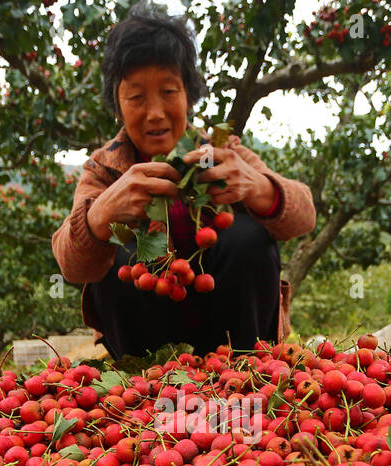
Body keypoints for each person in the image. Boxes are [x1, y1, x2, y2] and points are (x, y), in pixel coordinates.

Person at [51, 2, 316, 358]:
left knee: (249, 238)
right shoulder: (104, 170)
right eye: (136, 97)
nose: (155, 112)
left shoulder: (222, 152)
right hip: (146, 354)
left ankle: (248, 368)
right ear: (117, 105)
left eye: (169, 92)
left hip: (231, 344)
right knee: (117, 254)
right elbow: (72, 265)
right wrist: (99, 217)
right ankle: (141, 380)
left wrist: (257, 187)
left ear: (188, 95)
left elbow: (304, 215)